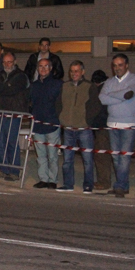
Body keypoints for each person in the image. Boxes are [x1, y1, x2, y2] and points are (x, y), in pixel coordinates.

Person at [99, 54, 135, 197]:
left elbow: (129, 94)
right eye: (115, 65)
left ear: (126, 65)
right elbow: (102, 99)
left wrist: (112, 95)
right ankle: (123, 185)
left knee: (124, 157)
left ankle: (120, 186)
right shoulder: (109, 81)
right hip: (112, 123)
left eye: (120, 65)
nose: (117, 68)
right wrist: (120, 97)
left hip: (128, 123)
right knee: (116, 156)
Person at [0, 52, 30, 181]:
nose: (7, 64)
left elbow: (12, 90)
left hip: (13, 114)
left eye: (9, 62)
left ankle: (14, 171)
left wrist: (2, 88)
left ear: (15, 62)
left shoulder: (21, 76)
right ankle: (2, 168)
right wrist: (4, 87)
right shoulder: (0, 75)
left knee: (11, 142)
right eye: (4, 62)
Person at [56, 61, 95, 194]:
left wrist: (87, 121)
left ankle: (88, 185)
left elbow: (95, 106)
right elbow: (58, 104)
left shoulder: (90, 86)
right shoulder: (65, 86)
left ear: (82, 72)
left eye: (77, 71)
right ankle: (68, 184)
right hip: (68, 129)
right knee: (67, 159)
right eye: (72, 71)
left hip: (84, 129)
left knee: (87, 159)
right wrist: (62, 118)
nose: (74, 74)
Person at [30, 59, 62, 188]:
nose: (43, 69)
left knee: (53, 155)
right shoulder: (34, 85)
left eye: (46, 66)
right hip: (38, 125)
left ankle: (52, 180)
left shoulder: (58, 84)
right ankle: (43, 178)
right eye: (40, 67)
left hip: (52, 124)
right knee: (41, 155)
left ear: (51, 68)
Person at [86, 69, 112, 190]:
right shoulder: (107, 88)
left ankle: (104, 181)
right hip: (104, 126)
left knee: (101, 155)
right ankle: (104, 180)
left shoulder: (99, 91)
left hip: (102, 127)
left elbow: (97, 110)